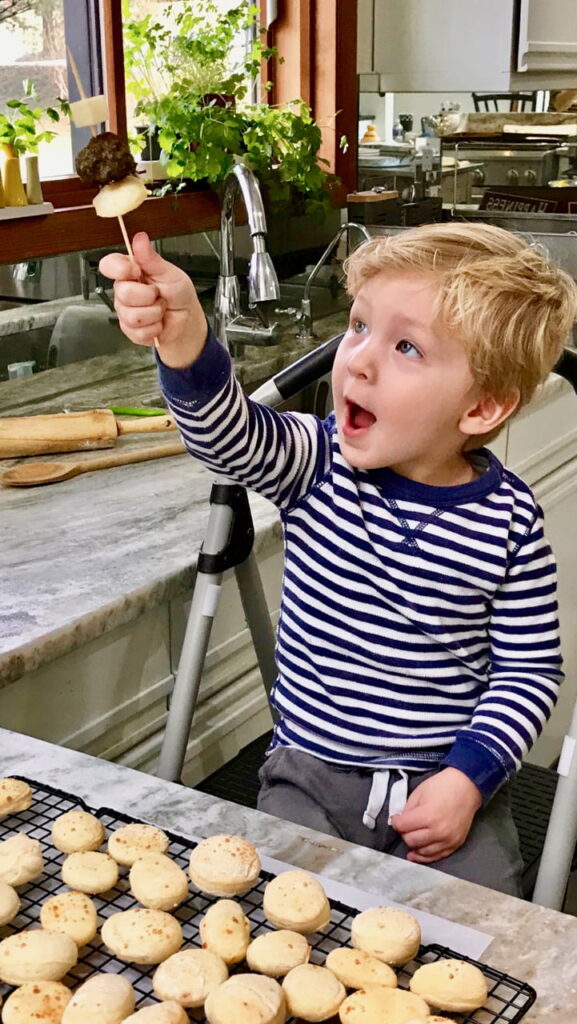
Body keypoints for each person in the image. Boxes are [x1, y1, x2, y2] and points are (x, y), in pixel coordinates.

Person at [100, 222, 577, 896]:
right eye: (358, 326)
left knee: (487, 935)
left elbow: (528, 669)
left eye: (406, 346)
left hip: (442, 784)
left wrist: (468, 779)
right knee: (278, 915)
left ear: (482, 406)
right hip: (309, 776)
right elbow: (224, 435)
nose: (357, 359)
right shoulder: (316, 462)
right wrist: (183, 342)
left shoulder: (507, 520)